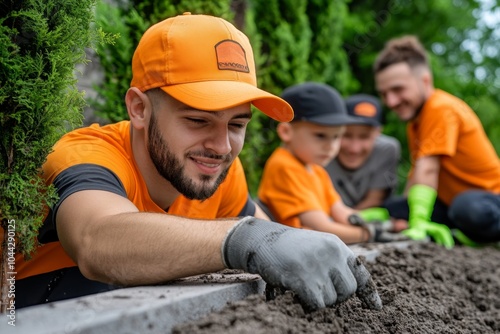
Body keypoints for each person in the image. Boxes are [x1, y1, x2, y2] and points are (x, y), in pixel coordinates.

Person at [13, 13, 382, 311]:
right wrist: (242, 238)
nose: (221, 146)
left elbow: (275, 246)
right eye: (198, 120)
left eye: (237, 124)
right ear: (139, 108)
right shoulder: (86, 156)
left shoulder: (220, 169)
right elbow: (97, 242)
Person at [373, 35, 500, 248]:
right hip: (451, 204)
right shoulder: (415, 121)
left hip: (489, 203)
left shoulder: (440, 108)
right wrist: (405, 213)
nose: (391, 101)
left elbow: (428, 168)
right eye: (384, 94)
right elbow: (417, 174)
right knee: (396, 209)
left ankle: (480, 237)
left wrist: (418, 222)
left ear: (425, 80)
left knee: (468, 209)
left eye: (397, 89)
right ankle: (461, 233)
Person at [257, 82, 405, 244]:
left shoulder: (316, 169)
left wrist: (383, 225)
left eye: (336, 137)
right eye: (321, 136)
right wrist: (368, 234)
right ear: (286, 132)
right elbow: (322, 227)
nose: (331, 146)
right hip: (283, 248)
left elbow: (342, 212)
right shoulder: (284, 166)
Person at [325, 94, 401, 210]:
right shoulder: (322, 149)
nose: (354, 149)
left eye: (364, 137)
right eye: (347, 135)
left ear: (378, 132)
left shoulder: (387, 150)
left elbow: (375, 200)